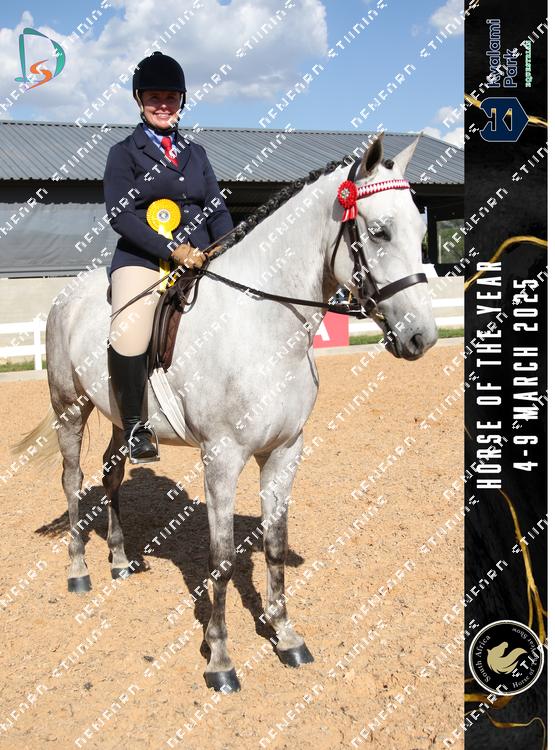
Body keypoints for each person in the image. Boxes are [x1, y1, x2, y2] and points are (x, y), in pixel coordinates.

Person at [104, 51, 234, 463]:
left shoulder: (196, 153)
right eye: (154, 97)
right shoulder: (124, 152)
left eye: (171, 97)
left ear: (182, 102)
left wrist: (224, 245)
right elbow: (120, 214)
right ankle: (134, 427)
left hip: (201, 256)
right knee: (129, 328)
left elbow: (216, 207)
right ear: (140, 101)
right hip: (143, 258)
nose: (163, 105)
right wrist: (171, 249)